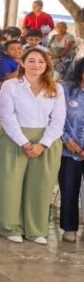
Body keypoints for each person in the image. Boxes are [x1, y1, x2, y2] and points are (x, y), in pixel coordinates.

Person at [0, 48, 65, 244]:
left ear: (47, 65)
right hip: (15, 138)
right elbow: (6, 116)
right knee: (10, 184)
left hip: (46, 141)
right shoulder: (10, 86)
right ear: (22, 63)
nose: (36, 65)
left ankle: (36, 230)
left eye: (41, 62)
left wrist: (42, 144)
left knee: (41, 186)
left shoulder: (56, 88)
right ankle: (10, 227)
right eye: (32, 60)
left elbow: (58, 120)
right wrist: (24, 142)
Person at [58, 57, 84, 242]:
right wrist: (67, 140)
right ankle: (69, 228)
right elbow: (56, 118)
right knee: (68, 189)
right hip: (68, 150)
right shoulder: (65, 89)